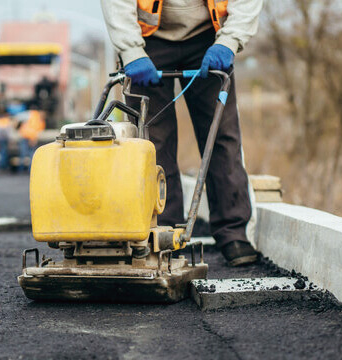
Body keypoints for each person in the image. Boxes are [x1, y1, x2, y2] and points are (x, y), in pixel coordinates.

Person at [101, 0, 263, 266]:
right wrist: (130, 51)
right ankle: (160, 233)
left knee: (221, 136)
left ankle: (234, 233)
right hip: (146, 40)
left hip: (209, 38)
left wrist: (229, 41)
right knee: (151, 142)